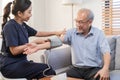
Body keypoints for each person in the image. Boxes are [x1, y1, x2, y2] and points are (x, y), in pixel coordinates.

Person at [24, 8, 111, 80]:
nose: (77, 24)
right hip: (76, 70)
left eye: (81, 22)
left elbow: (106, 52)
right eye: (76, 21)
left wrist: (105, 68)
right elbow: (57, 41)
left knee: (104, 78)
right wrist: (38, 47)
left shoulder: (99, 34)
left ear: (90, 22)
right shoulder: (72, 32)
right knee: (58, 78)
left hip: (93, 69)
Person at [0, 0, 65, 79]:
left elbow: (38, 33)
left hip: (21, 63)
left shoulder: (23, 25)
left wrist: (56, 32)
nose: (31, 15)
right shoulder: (10, 26)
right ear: (20, 13)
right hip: (10, 66)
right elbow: (14, 51)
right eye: (29, 12)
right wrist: (33, 43)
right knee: (47, 69)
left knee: (45, 70)